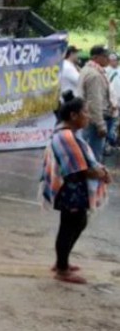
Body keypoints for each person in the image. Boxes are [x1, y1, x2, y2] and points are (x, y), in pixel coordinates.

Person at [40, 91, 110, 284]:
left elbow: (82, 164)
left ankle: (62, 262)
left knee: (75, 224)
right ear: (73, 116)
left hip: (73, 188)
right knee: (71, 226)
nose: (88, 116)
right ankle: (62, 269)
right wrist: (99, 173)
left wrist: (99, 171)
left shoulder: (68, 133)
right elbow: (76, 168)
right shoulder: (66, 136)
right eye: (85, 113)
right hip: (70, 189)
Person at [79, 45, 113, 161]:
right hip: (94, 120)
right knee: (94, 157)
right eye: (105, 56)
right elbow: (95, 102)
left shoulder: (86, 69)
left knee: (85, 154)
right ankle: (92, 178)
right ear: (95, 57)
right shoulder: (95, 75)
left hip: (87, 117)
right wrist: (100, 125)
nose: (108, 59)